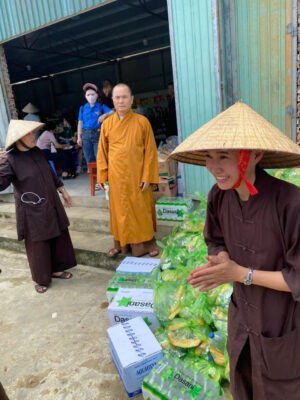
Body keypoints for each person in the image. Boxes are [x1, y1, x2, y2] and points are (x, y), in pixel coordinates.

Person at [169, 102, 300, 400]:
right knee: (242, 381)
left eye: (224, 156)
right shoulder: (219, 196)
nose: (214, 167)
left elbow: (297, 278)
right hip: (242, 317)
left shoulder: (291, 204)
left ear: (255, 155)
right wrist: (223, 261)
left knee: (280, 390)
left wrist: (241, 274)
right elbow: (215, 241)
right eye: (208, 157)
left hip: (281, 322)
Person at [0, 120, 77, 293]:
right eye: (27, 134)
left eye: (32, 133)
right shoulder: (11, 160)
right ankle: (41, 278)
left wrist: (62, 190)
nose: (32, 136)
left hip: (51, 201)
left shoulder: (37, 152)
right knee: (38, 243)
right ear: (18, 139)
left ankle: (56, 269)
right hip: (31, 208)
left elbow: (50, 173)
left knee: (58, 234)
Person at [97, 83, 159, 257]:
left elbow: (151, 152)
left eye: (124, 97)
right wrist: (102, 176)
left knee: (141, 210)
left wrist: (148, 175)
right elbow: (102, 152)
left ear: (131, 100)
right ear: (113, 101)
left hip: (137, 176)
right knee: (119, 211)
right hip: (116, 177)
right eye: (117, 97)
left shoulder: (142, 122)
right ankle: (120, 245)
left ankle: (147, 244)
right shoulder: (107, 124)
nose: (121, 101)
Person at [77, 83, 113, 165]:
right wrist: (79, 137)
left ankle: (101, 176)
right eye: (88, 94)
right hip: (85, 135)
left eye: (92, 94)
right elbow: (80, 123)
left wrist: (105, 115)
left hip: (98, 134)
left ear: (97, 95)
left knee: (99, 157)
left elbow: (113, 112)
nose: (90, 96)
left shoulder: (101, 106)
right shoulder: (82, 108)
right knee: (88, 158)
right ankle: (93, 176)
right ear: (85, 96)